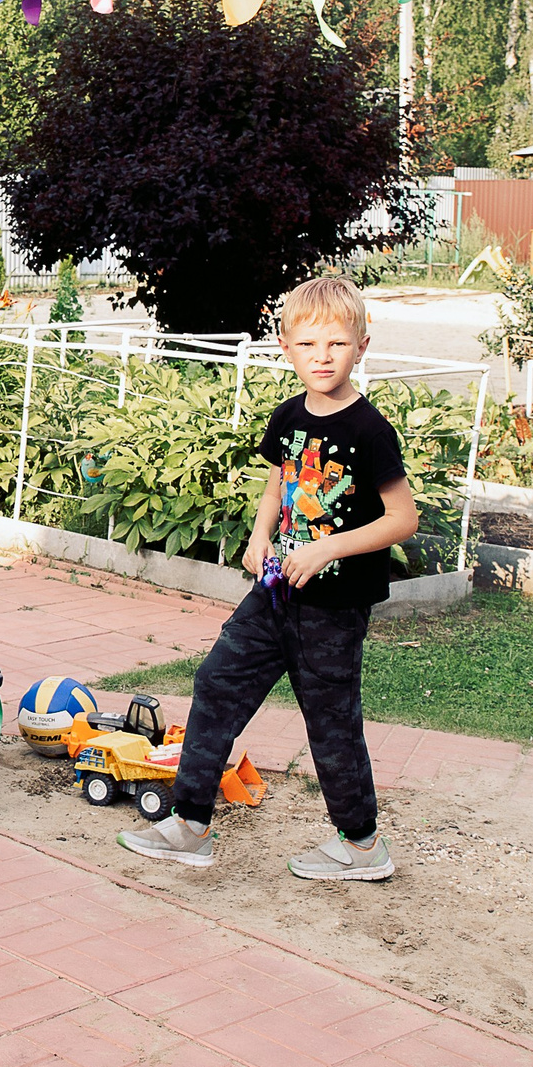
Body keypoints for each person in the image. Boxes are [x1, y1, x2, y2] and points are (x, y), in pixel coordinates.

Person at [118, 276, 418, 881]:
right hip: (276, 593)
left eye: (336, 344)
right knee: (217, 682)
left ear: (361, 345)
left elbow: (403, 519)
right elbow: (278, 484)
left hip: (335, 608)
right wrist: (259, 538)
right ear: (286, 347)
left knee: (330, 721)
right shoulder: (289, 417)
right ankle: (190, 823)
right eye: (308, 345)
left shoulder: (369, 430)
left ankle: (363, 847)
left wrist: (329, 547)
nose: (322, 357)